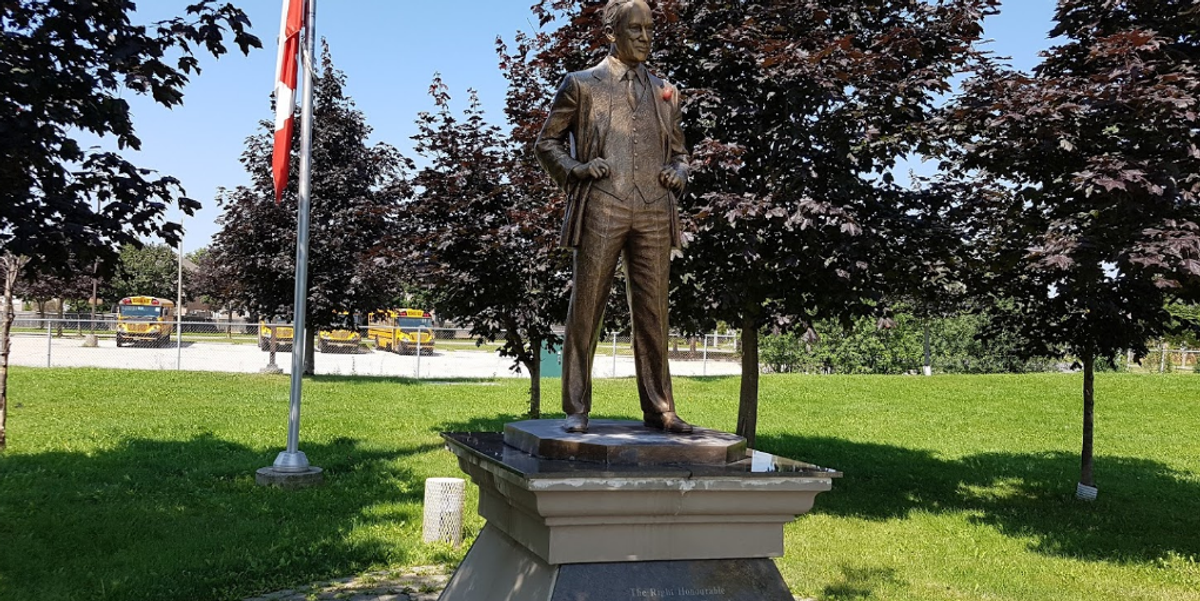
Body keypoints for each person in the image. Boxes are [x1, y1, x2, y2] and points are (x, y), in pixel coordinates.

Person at [535, 0, 692, 434]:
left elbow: (681, 154)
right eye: (636, 29)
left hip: (655, 209)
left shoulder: (666, 91)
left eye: (649, 29)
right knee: (586, 308)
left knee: (654, 311)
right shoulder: (581, 85)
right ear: (612, 34)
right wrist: (575, 170)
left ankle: (660, 407)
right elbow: (546, 144)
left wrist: (677, 172)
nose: (645, 37)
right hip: (603, 204)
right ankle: (576, 408)